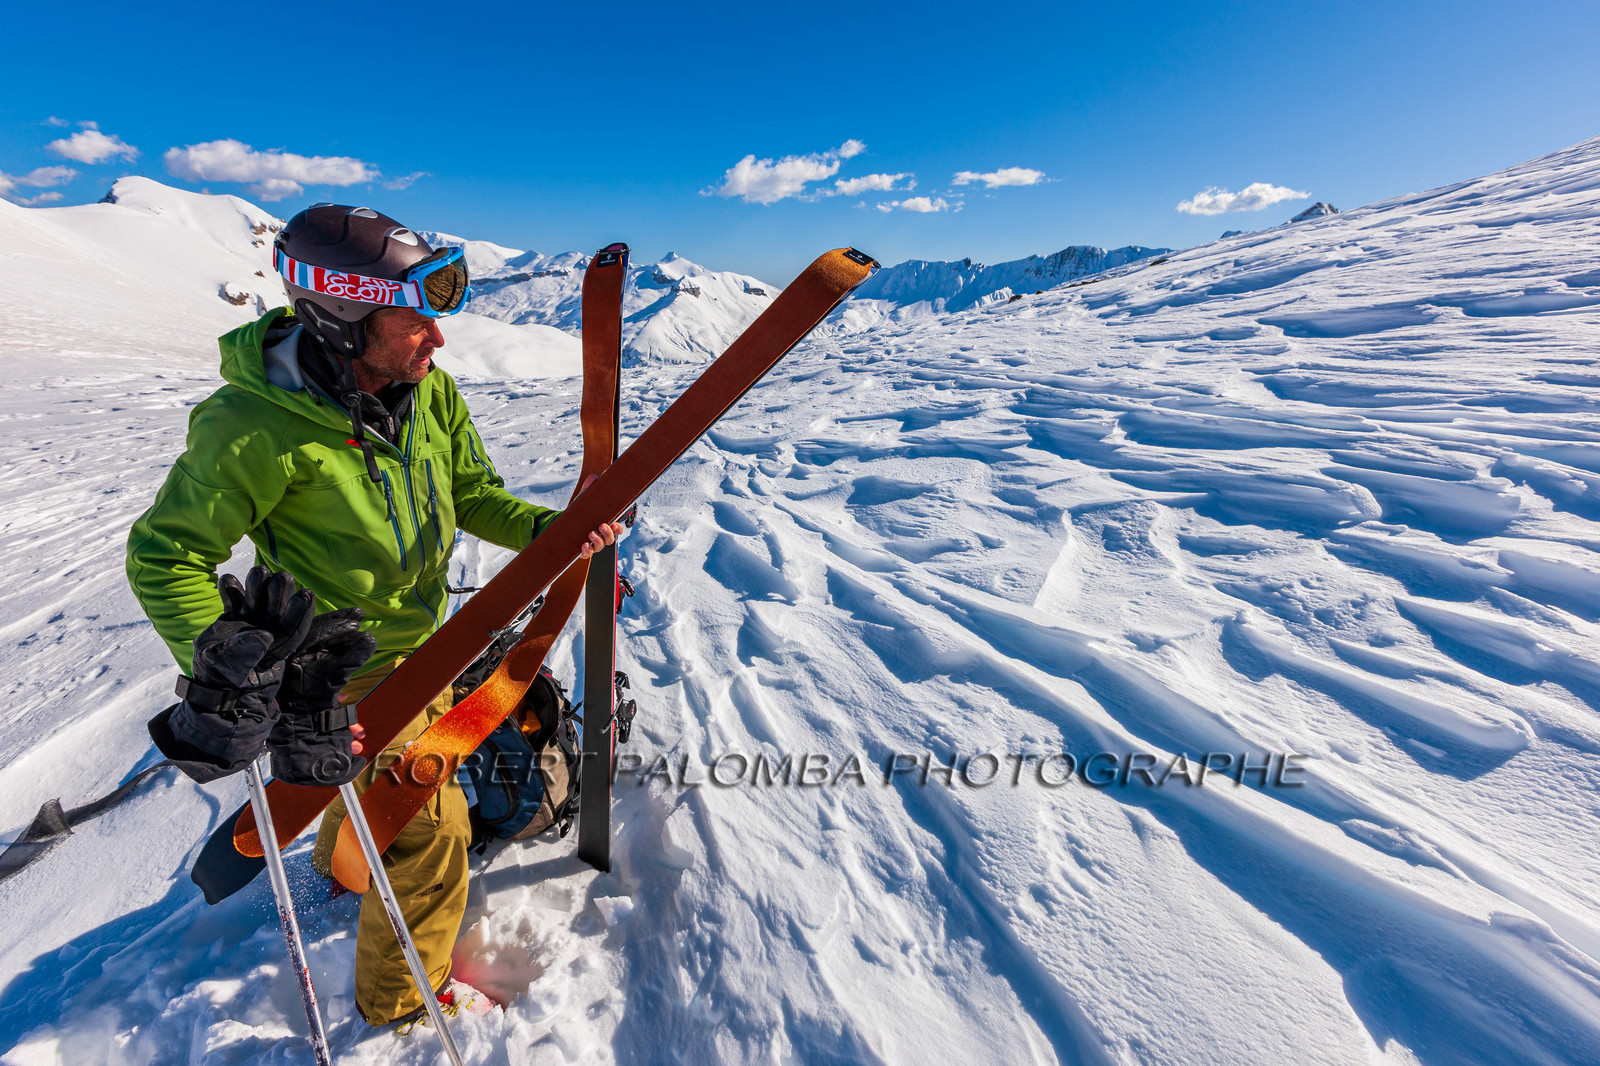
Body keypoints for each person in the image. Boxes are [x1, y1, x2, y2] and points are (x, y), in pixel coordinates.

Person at [126, 203, 624, 1027]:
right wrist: (233, 663)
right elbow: (165, 554)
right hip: (335, 677)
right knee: (433, 835)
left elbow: (473, 496)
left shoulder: (430, 395)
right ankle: (402, 1007)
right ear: (343, 320)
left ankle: (346, 864)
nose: (438, 342)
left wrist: (554, 531)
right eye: (413, 324)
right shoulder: (252, 427)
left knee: (393, 812)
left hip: (430, 648)